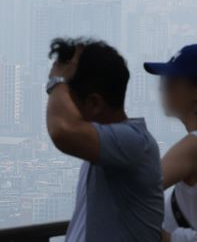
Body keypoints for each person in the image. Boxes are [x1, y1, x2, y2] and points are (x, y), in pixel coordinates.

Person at [46, 37, 163, 242]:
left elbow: (63, 131)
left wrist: (57, 82)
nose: (67, 111)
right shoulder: (105, 148)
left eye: (68, 101)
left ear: (94, 103)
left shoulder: (134, 144)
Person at [144, 45, 197, 242]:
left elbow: (136, 190)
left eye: (173, 81)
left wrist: (168, 238)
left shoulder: (192, 146)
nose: (162, 86)